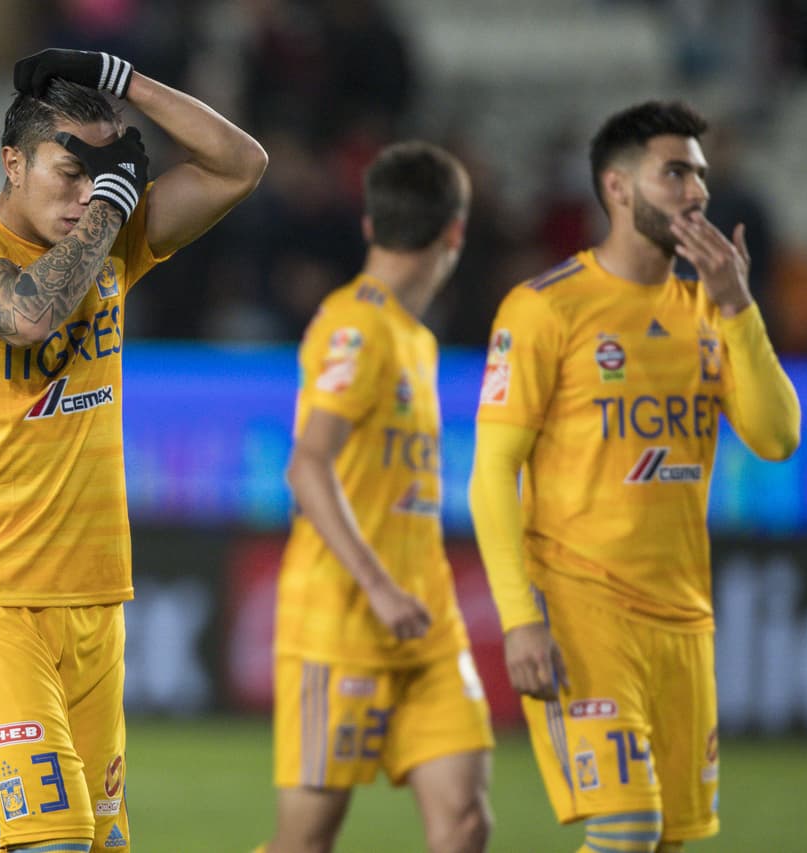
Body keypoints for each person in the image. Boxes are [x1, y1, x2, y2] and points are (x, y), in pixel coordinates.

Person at [0, 48, 267, 852]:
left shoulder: (112, 243)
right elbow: (32, 314)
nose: (83, 194)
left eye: (103, 173)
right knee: (53, 844)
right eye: (68, 171)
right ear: (12, 162)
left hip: (95, 602)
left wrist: (123, 79)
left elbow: (241, 164)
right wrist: (112, 198)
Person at [468, 101, 801, 853]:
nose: (697, 192)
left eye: (701, 175)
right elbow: (491, 472)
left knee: (662, 844)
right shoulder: (546, 308)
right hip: (582, 606)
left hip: (684, 620)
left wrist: (739, 305)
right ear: (617, 187)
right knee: (627, 828)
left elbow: (777, 437)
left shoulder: (710, 311)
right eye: (676, 171)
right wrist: (519, 617)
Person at [265, 141, 493, 853]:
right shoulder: (357, 326)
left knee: (462, 821)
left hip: (426, 621)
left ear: (370, 226)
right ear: (455, 231)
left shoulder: (413, 339)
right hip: (342, 619)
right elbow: (306, 467)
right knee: (306, 840)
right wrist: (380, 586)